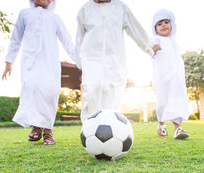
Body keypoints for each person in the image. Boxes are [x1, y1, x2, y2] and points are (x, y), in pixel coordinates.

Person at [2, 0, 76, 145]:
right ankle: (36, 127)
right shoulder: (24, 14)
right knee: (32, 88)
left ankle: (48, 132)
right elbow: (15, 39)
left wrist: (80, 62)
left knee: (50, 92)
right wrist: (9, 62)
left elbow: (67, 41)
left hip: (50, 62)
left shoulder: (55, 18)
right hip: (30, 62)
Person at [76, 0, 160, 121]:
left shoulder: (121, 8)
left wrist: (149, 46)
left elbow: (135, 28)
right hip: (91, 59)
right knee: (92, 91)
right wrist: (79, 61)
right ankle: (89, 128)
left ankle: (110, 131)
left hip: (116, 60)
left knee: (113, 95)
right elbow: (79, 38)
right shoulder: (85, 10)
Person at [152, 9, 190, 139]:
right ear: (155, 28)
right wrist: (154, 48)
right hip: (162, 78)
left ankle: (177, 128)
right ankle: (161, 125)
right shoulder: (156, 39)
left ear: (171, 24)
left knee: (177, 100)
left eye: (166, 22)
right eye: (159, 24)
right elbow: (151, 49)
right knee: (163, 102)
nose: (163, 25)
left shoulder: (174, 42)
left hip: (176, 78)